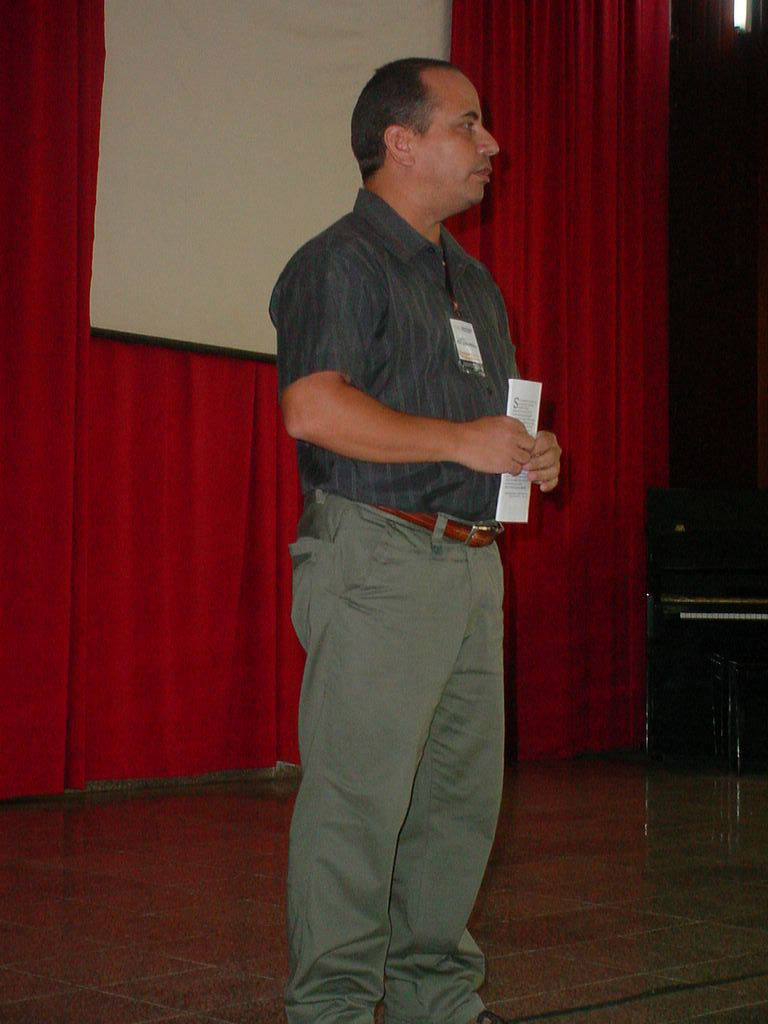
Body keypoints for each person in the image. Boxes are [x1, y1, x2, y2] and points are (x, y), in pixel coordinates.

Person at [270, 57, 561, 1024]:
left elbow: (477, 428)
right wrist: (457, 441)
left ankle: (440, 1002)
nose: (491, 146)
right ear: (401, 141)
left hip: (473, 566)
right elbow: (314, 410)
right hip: (380, 559)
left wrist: (525, 454)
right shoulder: (339, 261)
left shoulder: (471, 281)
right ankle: (336, 1010)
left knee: (455, 813)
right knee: (358, 808)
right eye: (468, 125)